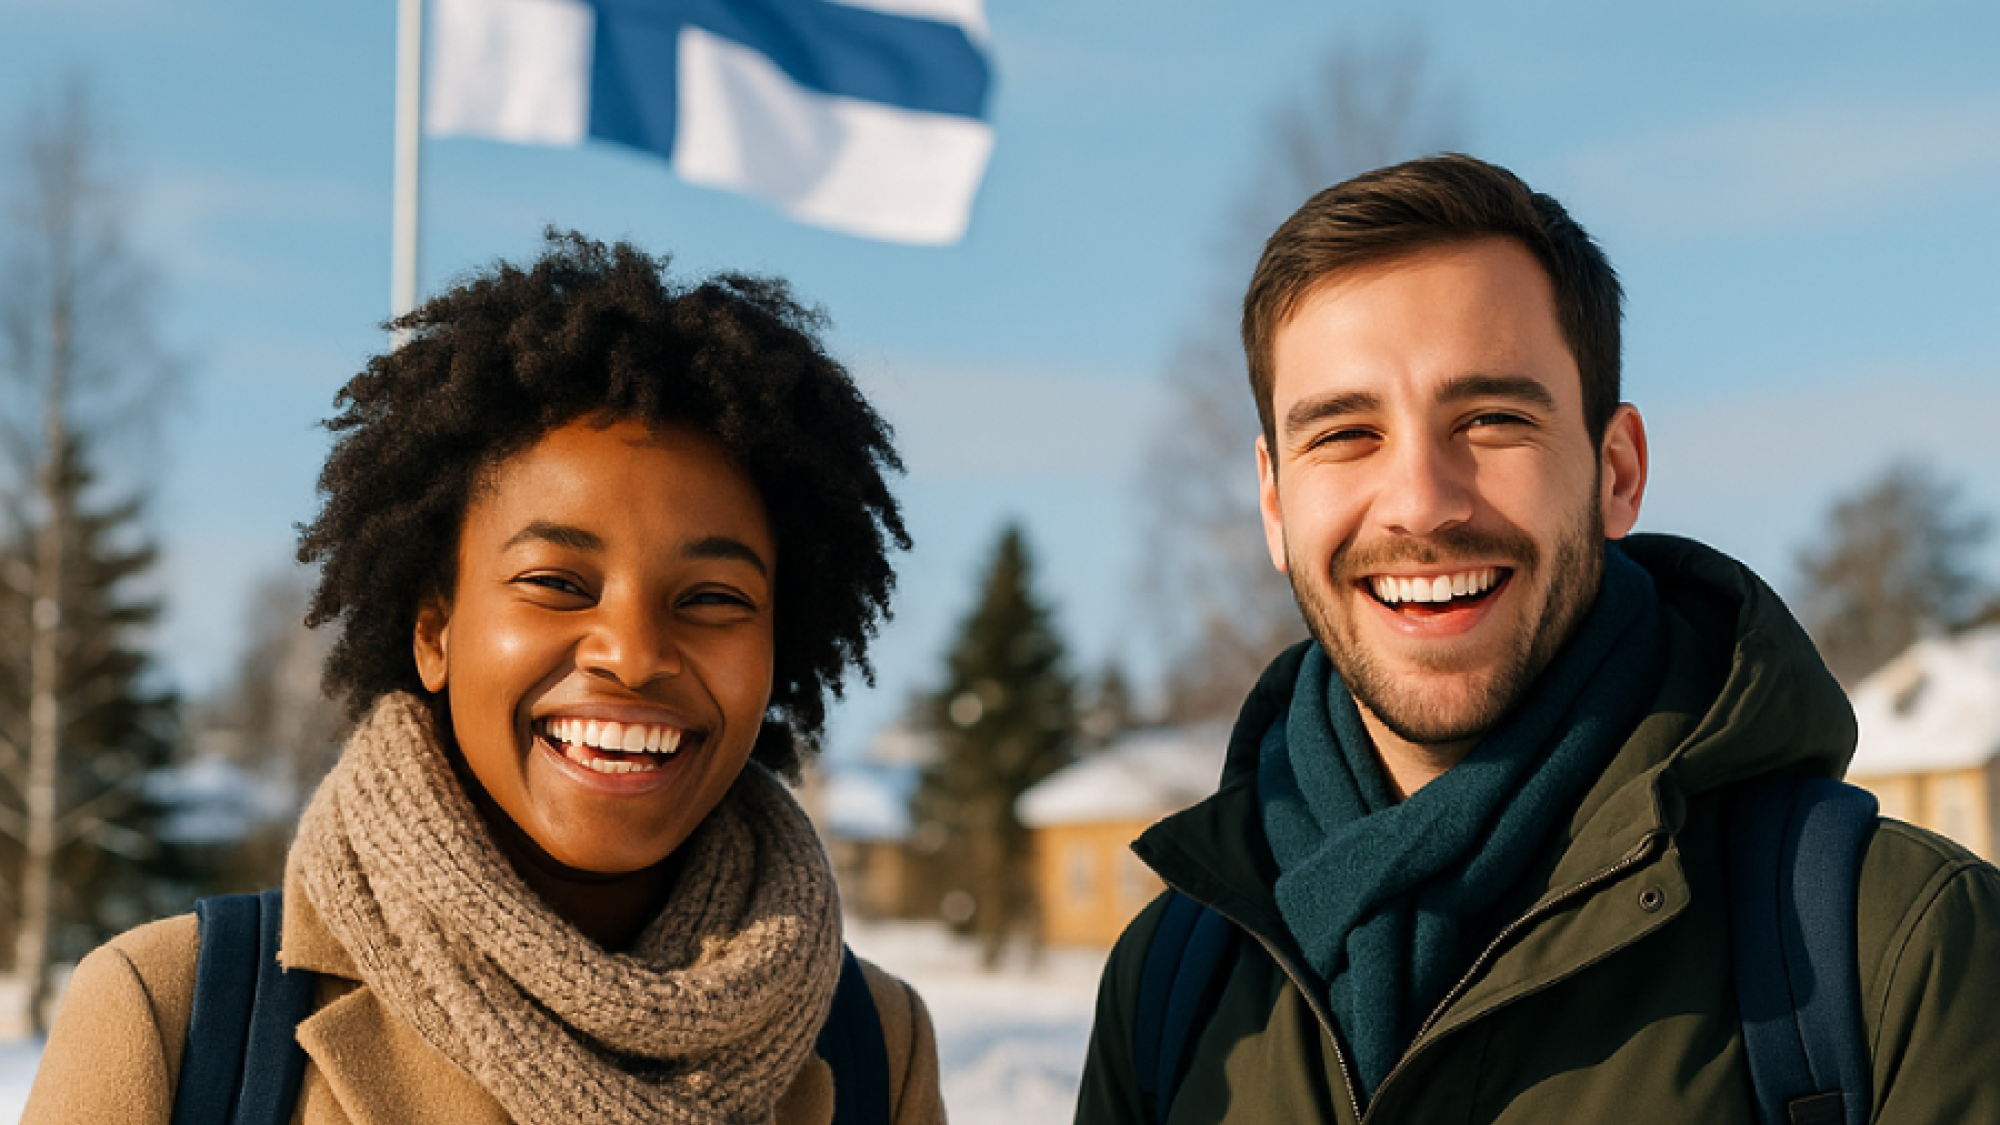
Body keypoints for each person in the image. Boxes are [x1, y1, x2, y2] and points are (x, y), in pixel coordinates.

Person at [1073, 154, 2000, 1123]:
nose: (1418, 503)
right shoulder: (1170, 991)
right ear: (1272, 501)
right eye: (1345, 434)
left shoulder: (1902, 954)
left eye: (1490, 418)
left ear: (1615, 471)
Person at [25, 232, 944, 1125]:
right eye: (555, 583)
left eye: (710, 597)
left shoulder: (874, 1047)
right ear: (435, 628)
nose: (631, 652)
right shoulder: (181, 1020)